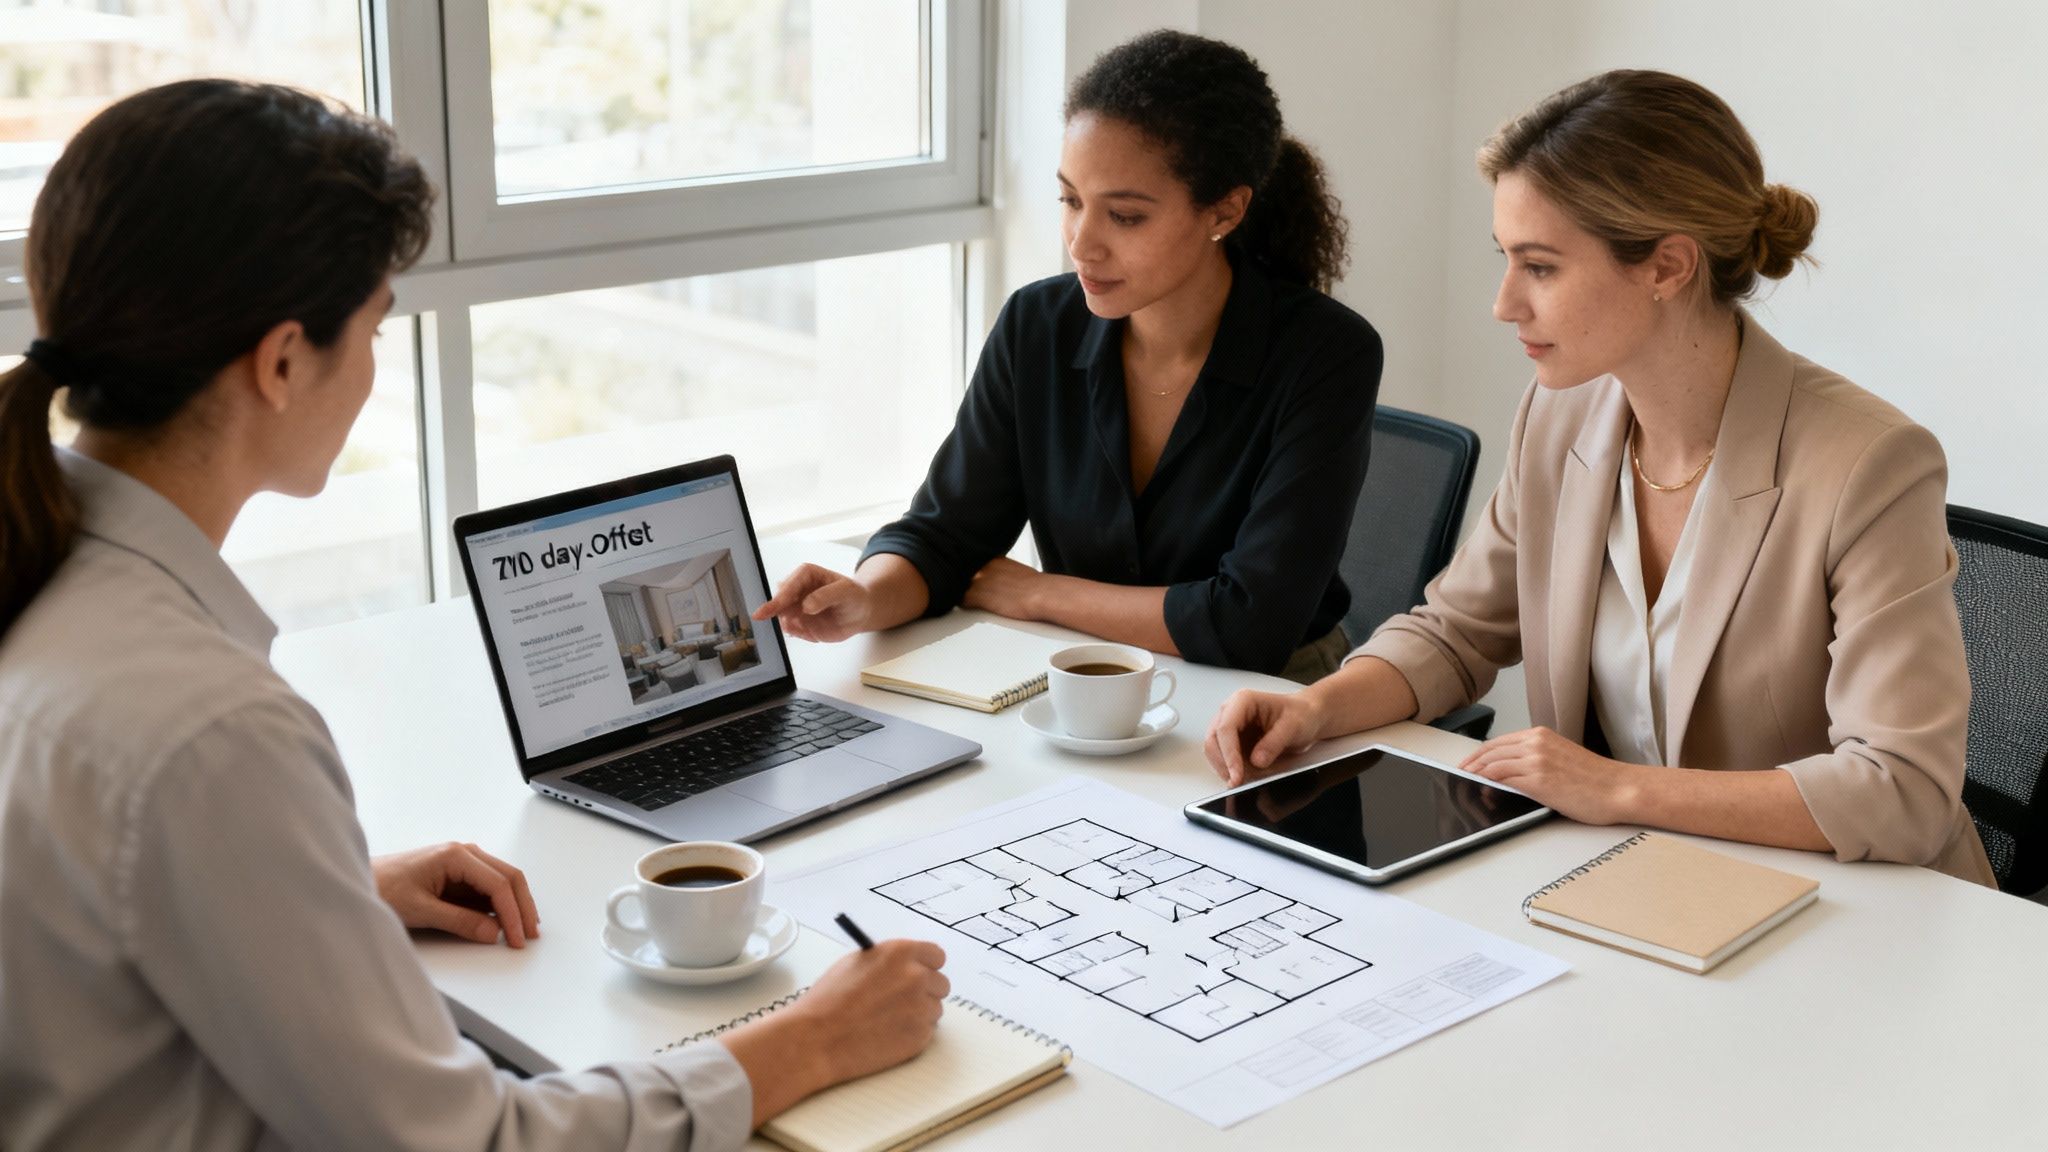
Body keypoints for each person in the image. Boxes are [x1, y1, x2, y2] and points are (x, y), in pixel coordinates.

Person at [0, 80, 948, 1151]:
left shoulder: (44, 587)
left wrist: (328, 897)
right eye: (374, 327)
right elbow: (468, 1142)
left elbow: (85, 910)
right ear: (280, 362)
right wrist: (813, 1039)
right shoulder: (209, 729)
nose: (373, 367)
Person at [1205, 70, 1994, 885]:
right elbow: (1456, 632)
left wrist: (1616, 788)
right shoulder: (1561, 415)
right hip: (1637, 883)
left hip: (1849, 907)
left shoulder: (1869, 464)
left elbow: (1901, 790)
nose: (1504, 303)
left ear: (1667, 266)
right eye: (1507, 260)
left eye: (1541, 267)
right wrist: (1316, 708)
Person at [757, 30, 1382, 683]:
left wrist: (1040, 594)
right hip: (1085, 677)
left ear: (1225, 211)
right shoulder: (1037, 326)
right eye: (1071, 200)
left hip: (1273, 696)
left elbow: (1249, 625)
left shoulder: (1327, 354)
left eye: (1125, 216)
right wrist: (865, 596)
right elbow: (945, 535)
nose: (1082, 245)